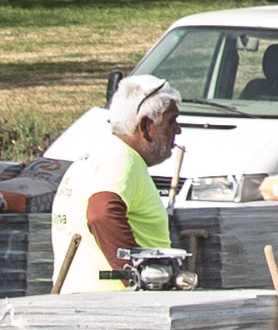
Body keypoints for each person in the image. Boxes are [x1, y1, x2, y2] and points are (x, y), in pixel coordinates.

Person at [47, 73, 187, 293]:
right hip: (112, 306)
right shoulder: (122, 160)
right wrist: (136, 278)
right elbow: (102, 214)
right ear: (146, 126)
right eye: (171, 121)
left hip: (85, 301)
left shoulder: (98, 156)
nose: (177, 130)